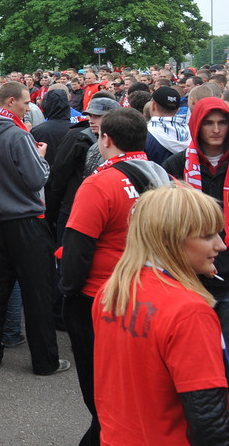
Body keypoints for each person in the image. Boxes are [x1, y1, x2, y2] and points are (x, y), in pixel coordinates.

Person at [59, 108, 168, 446]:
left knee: (100, 387)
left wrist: (68, 290)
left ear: (105, 139)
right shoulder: (162, 176)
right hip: (149, 293)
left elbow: (76, 248)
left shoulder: (99, 183)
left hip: (99, 297)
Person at [92, 185, 229, 444]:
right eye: (208, 235)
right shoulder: (189, 312)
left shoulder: (112, 291)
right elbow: (209, 424)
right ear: (169, 238)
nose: (220, 245)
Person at [0, 82, 69, 375]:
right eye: (26, 103)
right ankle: (45, 360)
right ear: (11, 101)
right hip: (26, 223)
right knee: (38, 292)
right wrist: (41, 157)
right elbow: (36, 179)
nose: (29, 108)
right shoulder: (18, 134)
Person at [162, 96, 229, 337]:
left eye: (222, 122)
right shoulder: (176, 164)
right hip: (187, 273)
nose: (216, 130)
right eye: (208, 123)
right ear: (196, 125)